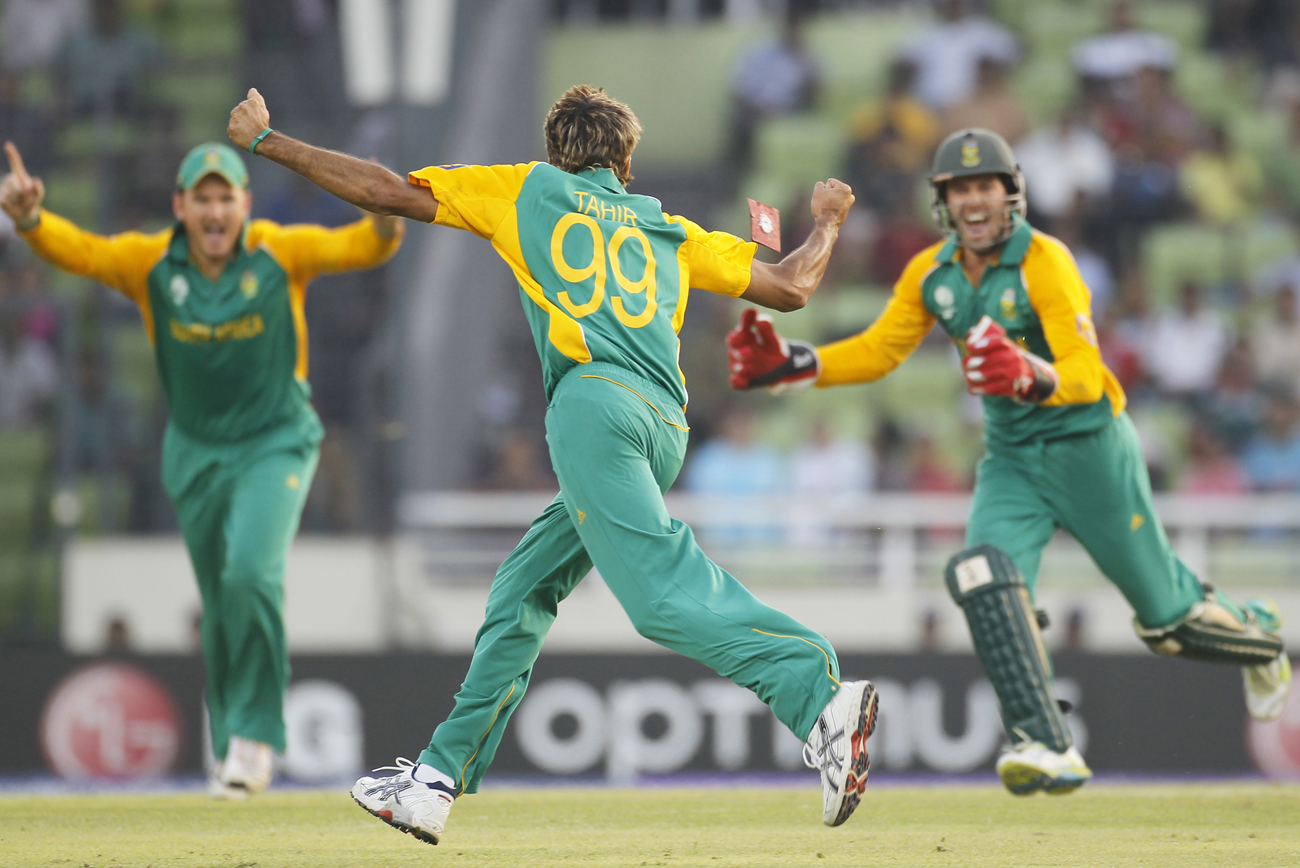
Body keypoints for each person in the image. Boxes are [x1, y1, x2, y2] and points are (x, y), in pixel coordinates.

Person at [227, 84, 875, 844]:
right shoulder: (666, 224)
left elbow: (384, 190)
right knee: (522, 589)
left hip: (593, 410)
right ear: (625, 160)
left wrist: (268, 142)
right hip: (664, 426)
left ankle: (815, 692)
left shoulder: (527, 188)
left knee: (658, 596)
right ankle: (434, 781)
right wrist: (827, 220)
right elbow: (792, 285)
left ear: (554, 152)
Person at [727, 127, 1290, 796]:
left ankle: (1262, 640)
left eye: (985, 185)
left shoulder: (1045, 263)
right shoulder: (931, 273)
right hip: (1013, 458)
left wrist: (1030, 372)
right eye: (959, 188)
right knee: (979, 573)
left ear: (1011, 193)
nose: (973, 200)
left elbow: (1085, 370)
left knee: (1169, 625)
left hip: (1090, 450)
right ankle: (1046, 742)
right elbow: (881, 350)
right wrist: (797, 364)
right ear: (942, 200)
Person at [0, 139, 403, 796]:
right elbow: (85, 253)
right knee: (219, 601)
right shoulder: (152, 262)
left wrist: (386, 216)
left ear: (245, 203)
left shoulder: (279, 249)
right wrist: (31, 221)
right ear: (180, 205)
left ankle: (258, 736)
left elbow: (362, 247)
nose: (216, 212)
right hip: (194, 451)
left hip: (276, 442)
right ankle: (229, 747)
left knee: (251, 571)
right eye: (203, 199)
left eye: (227, 198)